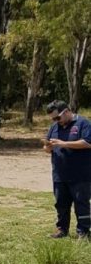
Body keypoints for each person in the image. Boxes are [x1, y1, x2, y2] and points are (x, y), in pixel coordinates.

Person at [43, 99, 91, 239]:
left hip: (80, 174)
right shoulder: (54, 127)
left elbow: (87, 143)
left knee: (81, 204)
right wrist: (47, 147)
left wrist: (64, 144)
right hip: (59, 174)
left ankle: (84, 232)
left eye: (57, 117)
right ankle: (61, 230)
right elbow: (47, 148)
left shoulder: (83, 123)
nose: (56, 121)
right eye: (53, 119)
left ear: (67, 111)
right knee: (61, 204)